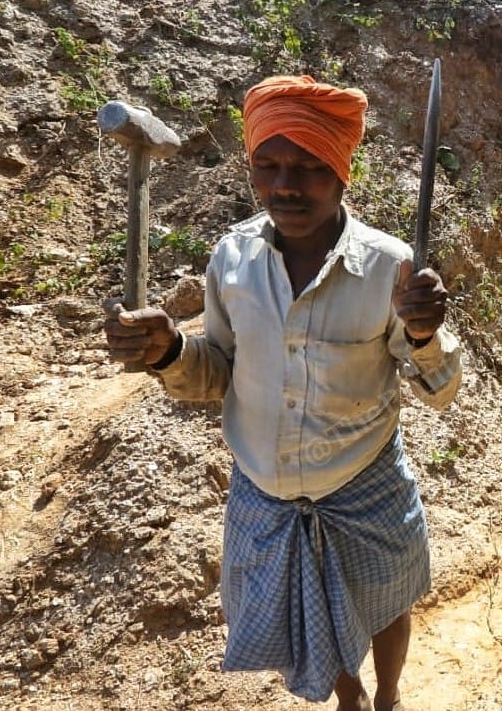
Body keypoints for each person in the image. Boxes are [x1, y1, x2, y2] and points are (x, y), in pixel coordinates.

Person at [102, 75, 461, 711]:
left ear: (342, 171)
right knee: (322, 612)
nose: (285, 186)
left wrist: (425, 330)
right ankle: (351, 700)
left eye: (308, 166)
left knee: (384, 602)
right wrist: (168, 352)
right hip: (264, 490)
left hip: (363, 482)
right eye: (267, 166)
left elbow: (439, 390)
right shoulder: (232, 260)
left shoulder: (389, 266)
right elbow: (217, 369)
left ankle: (389, 696)